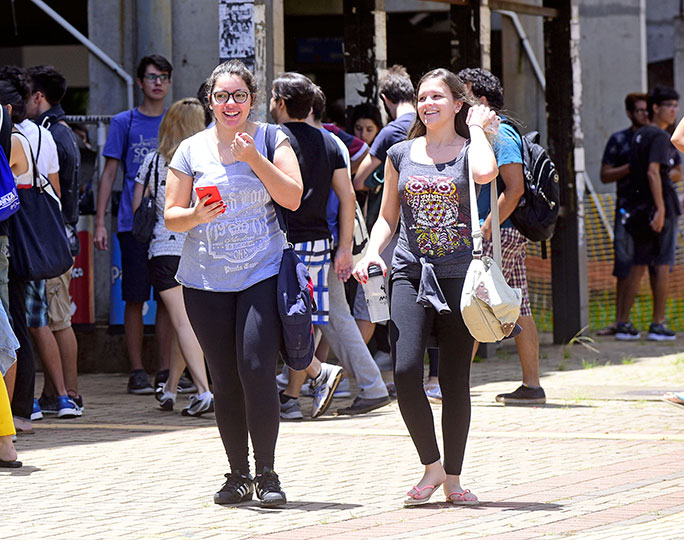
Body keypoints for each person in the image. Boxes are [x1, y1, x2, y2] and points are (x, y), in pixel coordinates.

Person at [353, 68, 498, 505]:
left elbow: (487, 174)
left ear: (457, 103)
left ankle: (453, 478)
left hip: (459, 276)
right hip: (409, 271)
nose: (427, 104)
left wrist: (476, 131)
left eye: (437, 96)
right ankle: (430, 465)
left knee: (454, 380)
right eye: (422, 97)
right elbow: (386, 217)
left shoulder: (472, 148)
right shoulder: (400, 153)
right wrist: (372, 251)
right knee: (404, 371)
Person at [165, 60, 303, 507]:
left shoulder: (270, 138)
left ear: (252, 99)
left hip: (260, 271)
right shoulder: (190, 149)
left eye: (238, 95)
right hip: (204, 279)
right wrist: (196, 216)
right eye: (222, 96)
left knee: (257, 369)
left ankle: (267, 472)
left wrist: (253, 159)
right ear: (210, 100)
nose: (230, 104)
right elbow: (172, 215)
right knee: (224, 378)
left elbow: (293, 196)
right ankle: (237, 474)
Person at [270, 73, 356, 421]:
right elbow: (348, 196)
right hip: (320, 243)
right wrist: (345, 247)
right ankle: (291, 397)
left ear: (281, 103)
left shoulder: (273, 139)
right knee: (300, 321)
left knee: (280, 320)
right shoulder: (329, 142)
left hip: (280, 241)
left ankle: (318, 371)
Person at [458, 67, 545, 405]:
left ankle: (454, 382)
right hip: (502, 232)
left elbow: (515, 188)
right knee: (515, 305)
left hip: (498, 233)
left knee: (476, 300)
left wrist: (483, 230)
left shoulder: (500, 133)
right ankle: (532, 384)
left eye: (463, 96)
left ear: (480, 99)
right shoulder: (493, 133)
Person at [305, 85, 390, 415]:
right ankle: (301, 380)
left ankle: (367, 383)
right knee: (332, 317)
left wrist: (341, 247)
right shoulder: (335, 141)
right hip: (342, 242)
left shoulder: (323, 141)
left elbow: (352, 189)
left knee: (343, 315)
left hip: (331, 242)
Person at [94, 55, 177, 394]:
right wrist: (100, 220)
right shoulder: (124, 122)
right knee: (134, 297)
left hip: (172, 225)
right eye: (152, 76)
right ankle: (137, 370)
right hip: (134, 225)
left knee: (169, 299)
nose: (158, 82)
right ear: (140, 82)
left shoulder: (176, 120)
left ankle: (166, 369)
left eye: (164, 77)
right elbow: (110, 173)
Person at [132, 98, 213, 416]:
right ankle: (176, 389)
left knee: (184, 323)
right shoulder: (204, 162)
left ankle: (201, 391)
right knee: (187, 322)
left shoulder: (152, 161)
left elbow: (138, 206)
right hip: (198, 250)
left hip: (164, 251)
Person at [26, 65, 83, 412]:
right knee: (55, 318)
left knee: (57, 320)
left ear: (38, 96)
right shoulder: (61, 130)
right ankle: (56, 392)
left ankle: (70, 393)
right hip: (61, 236)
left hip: (54, 237)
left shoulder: (50, 133)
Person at [352, 66, 416, 353]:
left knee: (370, 304)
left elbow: (361, 177)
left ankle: (355, 373)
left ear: (386, 99)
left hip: (390, 232)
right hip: (423, 231)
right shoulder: (429, 125)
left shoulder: (392, 131)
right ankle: (433, 379)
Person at [619, 86, 681, 341]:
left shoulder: (639, 135)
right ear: (655, 108)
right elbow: (653, 172)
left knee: (639, 263)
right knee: (663, 264)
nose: (674, 110)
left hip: (639, 207)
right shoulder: (658, 136)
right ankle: (658, 324)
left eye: (676, 106)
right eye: (669, 105)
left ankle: (623, 323)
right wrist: (662, 208)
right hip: (658, 208)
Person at [598, 93, 650, 338]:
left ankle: (653, 324)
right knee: (624, 265)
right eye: (639, 110)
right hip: (626, 209)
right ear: (630, 112)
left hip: (652, 211)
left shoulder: (657, 138)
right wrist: (633, 166)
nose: (645, 114)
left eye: (647, 110)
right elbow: (605, 175)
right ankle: (621, 321)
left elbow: (676, 172)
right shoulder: (619, 140)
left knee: (650, 267)